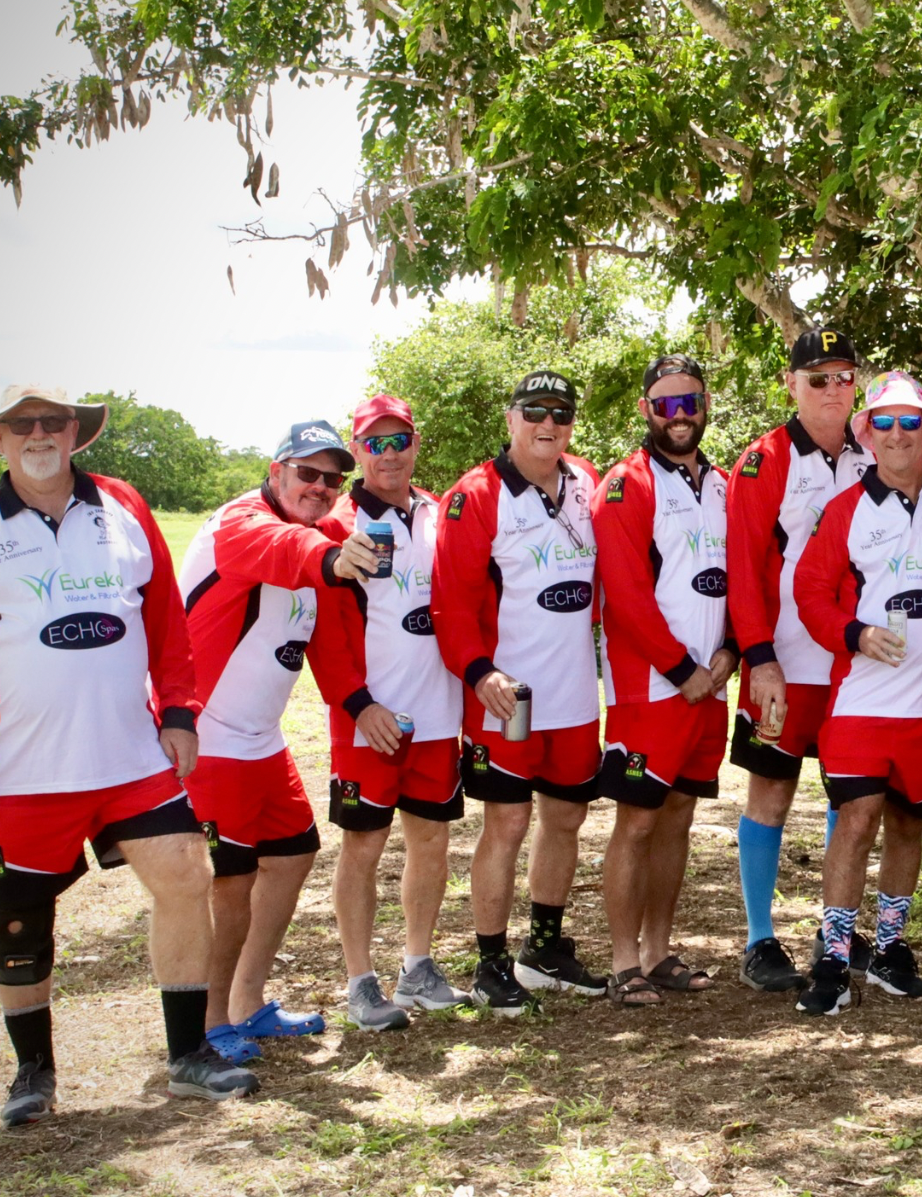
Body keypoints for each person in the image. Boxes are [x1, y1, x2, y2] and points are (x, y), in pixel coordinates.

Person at [0, 384, 257, 1126]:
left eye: (53, 421)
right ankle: (32, 1073)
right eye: (21, 424)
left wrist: (177, 712)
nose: (39, 434)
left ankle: (188, 1054)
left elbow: (168, 618)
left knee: (185, 872)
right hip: (19, 768)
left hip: (130, 755)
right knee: (16, 916)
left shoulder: (125, 507)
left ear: (76, 432)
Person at [792, 372, 922, 1016]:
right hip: (861, 702)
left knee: (909, 826)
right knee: (855, 824)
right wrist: (852, 633)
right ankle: (832, 954)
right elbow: (809, 594)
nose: (899, 434)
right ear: (866, 433)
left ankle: (887, 948)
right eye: (884, 422)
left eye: (912, 422)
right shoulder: (846, 509)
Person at [178, 419, 379, 1060]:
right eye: (307, 473)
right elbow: (281, 548)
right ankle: (209, 1027)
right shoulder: (240, 524)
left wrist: (360, 702)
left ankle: (247, 1002)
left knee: (293, 854)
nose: (320, 487)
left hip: (259, 741)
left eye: (332, 479)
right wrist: (329, 555)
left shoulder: (320, 535)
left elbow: (324, 639)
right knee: (229, 884)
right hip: (208, 738)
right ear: (275, 472)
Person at [432, 369, 610, 1016]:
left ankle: (543, 950)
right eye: (534, 410)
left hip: (573, 696)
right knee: (507, 822)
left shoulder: (587, 481)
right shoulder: (475, 496)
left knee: (566, 818)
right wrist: (481, 674)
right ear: (511, 419)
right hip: (507, 697)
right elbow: (448, 603)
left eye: (561, 413)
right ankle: (489, 962)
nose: (548, 423)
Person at [308, 396, 471, 1030]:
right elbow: (325, 632)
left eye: (398, 439)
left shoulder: (438, 513)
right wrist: (358, 704)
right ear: (356, 452)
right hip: (369, 719)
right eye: (374, 443)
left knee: (430, 839)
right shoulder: (337, 524)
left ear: (415, 443)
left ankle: (418, 965)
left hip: (436, 713)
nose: (389, 454)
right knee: (364, 846)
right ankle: (359, 979)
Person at [725, 328, 872, 991]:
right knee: (771, 794)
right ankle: (759, 938)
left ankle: (833, 928)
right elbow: (744, 567)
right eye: (818, 378)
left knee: (850, 796)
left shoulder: (876, 451)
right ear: (791, 384)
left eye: (845, 376)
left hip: (852, 665)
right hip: (783, 661)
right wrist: (759, 658)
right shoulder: (766, 459)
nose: (833, 389)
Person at [592, 355, 736, 1005]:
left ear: (706, 404)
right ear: (646, 411)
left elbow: (742, 579)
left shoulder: (725, 485)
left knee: (678, 818)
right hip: (652, 690)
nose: (679, 416)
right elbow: (624, 593)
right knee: (639, 823)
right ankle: (624, 962)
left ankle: (658, 950)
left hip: (711, 685)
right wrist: (681, 671)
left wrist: (730, 652)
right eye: (664, 405)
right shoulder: (626, 484)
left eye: (690, 402)